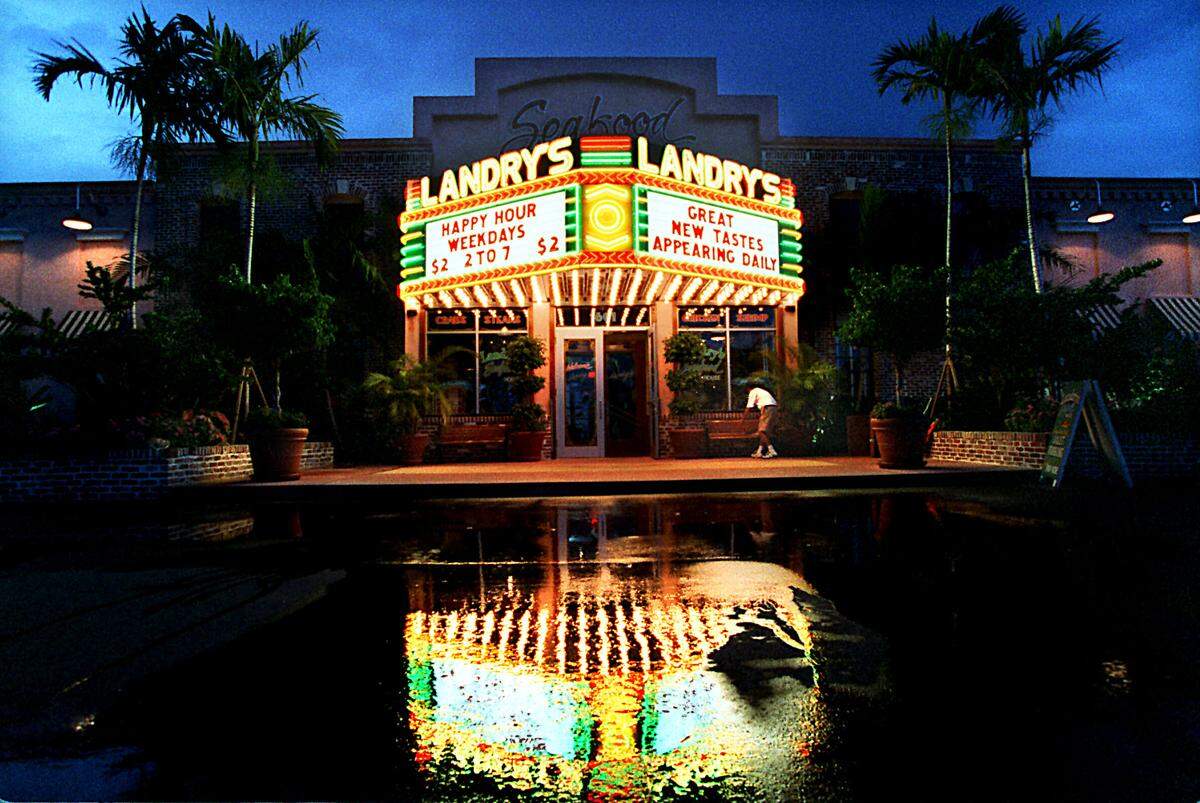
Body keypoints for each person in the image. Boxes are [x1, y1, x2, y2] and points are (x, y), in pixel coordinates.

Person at [743, 379, 779, 458]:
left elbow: (749, 407)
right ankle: (759, 451)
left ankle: (771, 451)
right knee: (764, 432)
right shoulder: (761, 391)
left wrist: (743, 419)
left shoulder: (753, 392)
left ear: (748, 389)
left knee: (761, 431)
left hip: (767, 408)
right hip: (773, 408)